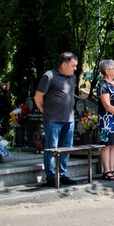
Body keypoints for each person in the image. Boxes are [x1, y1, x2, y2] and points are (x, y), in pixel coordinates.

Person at [34, 52, 80, 187]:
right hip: (53, 119)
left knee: (66, 147)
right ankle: (51, 176)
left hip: (69, 119)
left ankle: (62, 174)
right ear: (64, 64)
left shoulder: (72, 77)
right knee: (51, 148)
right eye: (73, 65)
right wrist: (45, 111)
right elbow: (38, 97)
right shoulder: (49, 76)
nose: (75, 68)